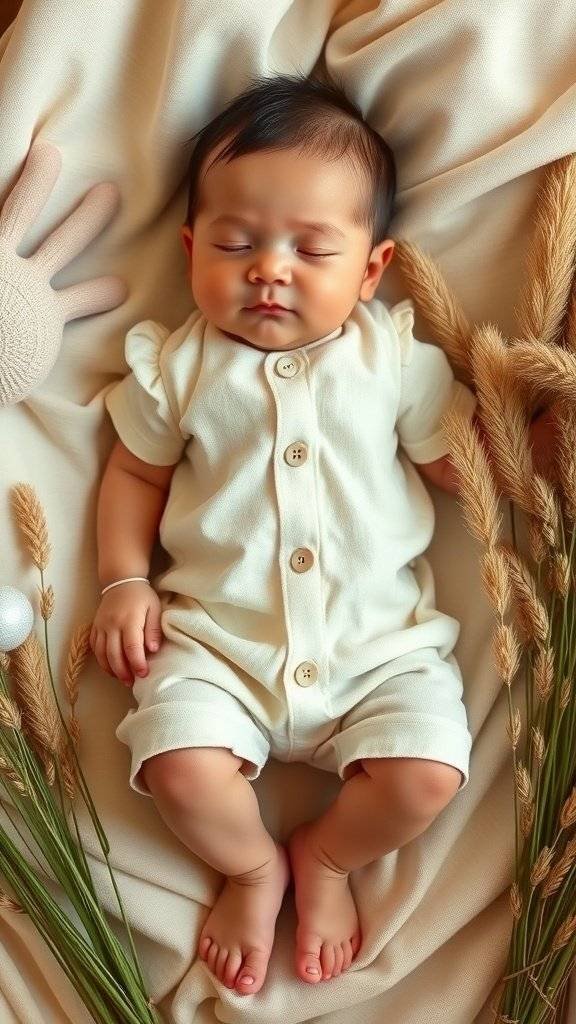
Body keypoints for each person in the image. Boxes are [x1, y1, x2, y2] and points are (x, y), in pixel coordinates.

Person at [90, 72, 476, 998]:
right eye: (236, 242)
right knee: (176, 766)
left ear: (372, 269)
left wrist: (516, 459)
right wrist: (122, 581)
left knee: (428, 775)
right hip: (220, 647)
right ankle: (255, 868)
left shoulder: (393, 359)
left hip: (380, 648)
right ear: (191, 250)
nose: (270, 268)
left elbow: (453, 461)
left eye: (311, 248)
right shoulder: (176, 366)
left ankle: (330, 859)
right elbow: (135, 473)